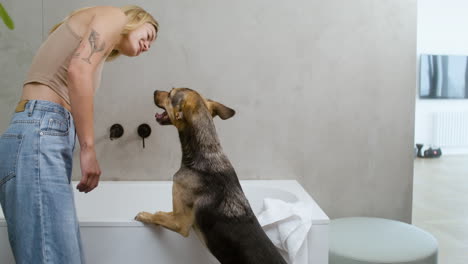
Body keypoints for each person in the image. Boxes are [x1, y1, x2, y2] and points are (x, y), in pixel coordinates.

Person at [0, 5, 158, 264]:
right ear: (136, 20)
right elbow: (78, 70)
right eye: (149, 34)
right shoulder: (115, 16)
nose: (148, 45)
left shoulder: (97, 50)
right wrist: (88, 149)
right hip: (39, 133)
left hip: (33, 136)